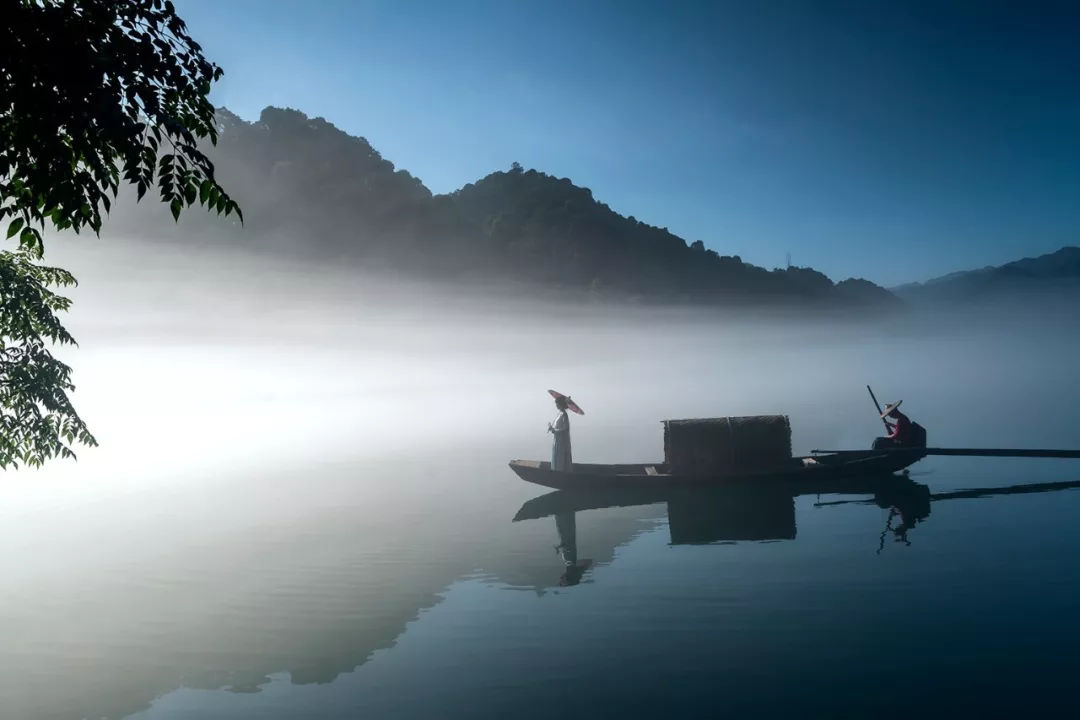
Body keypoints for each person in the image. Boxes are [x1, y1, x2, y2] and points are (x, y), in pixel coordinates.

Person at [548, 394, 573, 471]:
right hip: (557, 439)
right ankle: (556, 469)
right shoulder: (559, 414)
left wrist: (554, 430)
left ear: (560, 404)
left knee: (560, 456)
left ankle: (560, 470)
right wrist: (552, 428)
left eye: (557, 404)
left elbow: (565, 428)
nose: (556, 405)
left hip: (561, 440)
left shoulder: (564, 415)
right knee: (557, 455)